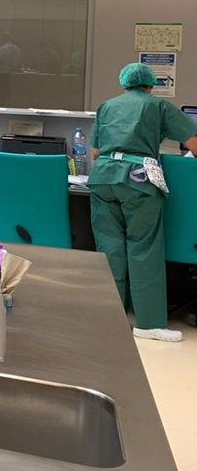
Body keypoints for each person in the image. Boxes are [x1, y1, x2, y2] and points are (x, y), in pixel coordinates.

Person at [89, 63, 197, 343]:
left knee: (109, 249)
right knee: (143, 247)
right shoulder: (157, 106)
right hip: (137, 181)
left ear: (124, 83)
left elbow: (95, 151)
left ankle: (109, 319)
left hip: (102, 179)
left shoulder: (106, 107)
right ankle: (148, 324)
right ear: (150, 84)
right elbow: (194, 142)